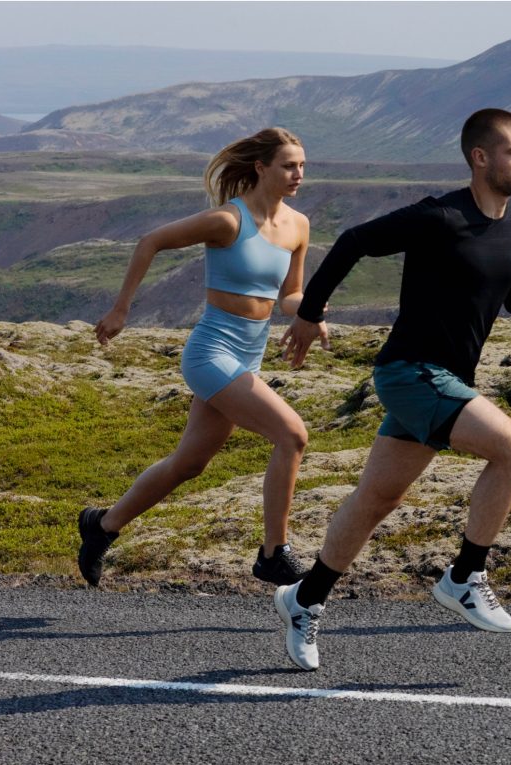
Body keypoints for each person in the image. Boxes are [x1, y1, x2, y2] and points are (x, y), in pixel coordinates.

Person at [278, 108, 511, 670]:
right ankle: (465, 575)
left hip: (448, 378)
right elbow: (355, 241)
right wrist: (310, 313)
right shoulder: (440, 217)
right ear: (481, 158)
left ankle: (303, 598)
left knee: (378, 498)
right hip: (410, 371)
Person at [77, 127, 326, 589]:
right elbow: (149, 241)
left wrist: (310, 313)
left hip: (249, 356)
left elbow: (289, 294)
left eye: (302, 166)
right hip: (211, 352)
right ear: (261, 167)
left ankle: (102, 525)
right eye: (289, 165)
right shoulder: (229, 221)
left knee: (189, 464)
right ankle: (274, 553)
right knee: (292, 436)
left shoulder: (298, 225)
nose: (298, 174)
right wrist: (120, 309)